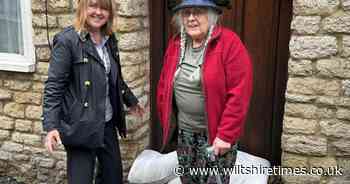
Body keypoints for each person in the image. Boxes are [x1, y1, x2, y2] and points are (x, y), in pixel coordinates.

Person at [42, 0, 144, 183]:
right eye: (93, 6)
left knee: (112, 177)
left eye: (104, 8)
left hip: (106, 123)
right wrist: (51, 127)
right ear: (82, 7)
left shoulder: (109, 38)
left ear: (110, 12)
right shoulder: (67, 41)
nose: (98, 12)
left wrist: (130, 100)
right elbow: (54, 87)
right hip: (80, 125)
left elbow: (114, 78)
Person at [157, 0, 253, 183]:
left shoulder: (229, 43)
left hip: (215, 137)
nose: (191, 18)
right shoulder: (176, 43)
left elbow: (239, 93)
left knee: (213, 181)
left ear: (211, 16)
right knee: (188, 179)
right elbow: (164, 84)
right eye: (186, 13)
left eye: (198, 12)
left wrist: (226, 136)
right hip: (184, 134)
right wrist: (167, 123)